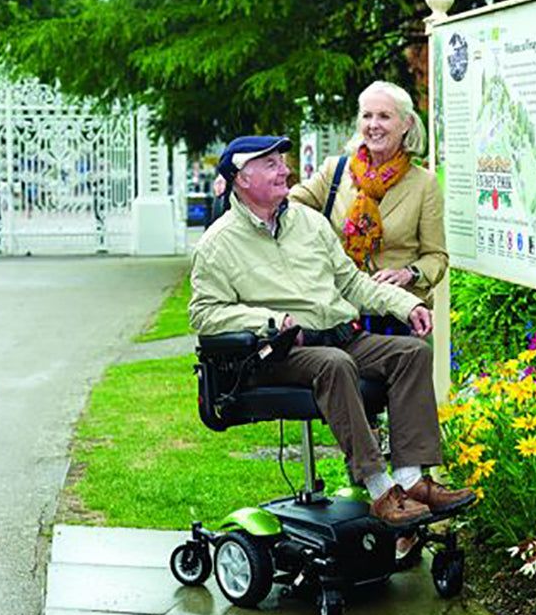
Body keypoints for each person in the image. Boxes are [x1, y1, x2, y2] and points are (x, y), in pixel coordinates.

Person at [189, 134, 471, 528]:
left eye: (282, 161)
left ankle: (411, 481)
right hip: (279, 353)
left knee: (411, 353)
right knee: (334, 364)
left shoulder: (308, 223)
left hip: (340, 335)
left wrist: (409, 305)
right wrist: (267, 321)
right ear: (241, 177)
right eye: (270, 164)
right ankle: (379, 490)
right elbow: (204, 314)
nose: (284, 170)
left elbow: (352, 284)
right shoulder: (217, 244)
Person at [289, 81, 448, 334]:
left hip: (399, 313)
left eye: (384, 116)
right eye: (367, 116)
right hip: (338, 308)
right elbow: (284, 204)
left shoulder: (423, 183)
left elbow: (436, 257)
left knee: (407, 366)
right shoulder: (335, 171)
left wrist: (409, 273)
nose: (373, 125)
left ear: (406, 124)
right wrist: (236, 179)